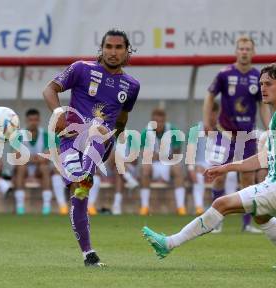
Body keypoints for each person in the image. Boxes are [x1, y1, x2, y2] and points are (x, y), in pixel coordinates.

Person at [143, 62, 276, 270]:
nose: (263, 88)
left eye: (269, 84)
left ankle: (168, 243)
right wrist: (225, 168)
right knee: (262, 216)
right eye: (261, 84)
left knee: (221, 204)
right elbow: (262, 159)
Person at [43, 29, 140, 267]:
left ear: (127, 51)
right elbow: (49, 90)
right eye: (109, 46)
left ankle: (87, 174)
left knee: (99, 130)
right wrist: (58, 115)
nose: (113, 52)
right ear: (102, 49)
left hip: (101, 140)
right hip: (69, 141)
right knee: (78, 190)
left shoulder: (131, 85)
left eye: (119, 47)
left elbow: (122, 118)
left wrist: (119, 139)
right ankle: (88, 254)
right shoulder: (81, 69)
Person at [202, 36, 270, 232]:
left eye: (248, 48)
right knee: (218, 177)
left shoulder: (258, 76)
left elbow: (262, 106)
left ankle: (247, 225)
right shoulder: (224, 74)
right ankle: (216, 221)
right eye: (241, 48)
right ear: (236, 51)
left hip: (247, 137)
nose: (244, 52)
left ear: (253, 52)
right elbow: (209, 96)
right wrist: (207, 121)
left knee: (248, 180)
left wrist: (268, 129)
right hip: (224, 134)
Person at [13, 108, 67, 216]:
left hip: (39, 168)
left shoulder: (46, 135)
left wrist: (29, 157)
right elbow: (17, 156)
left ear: (39, 121)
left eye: (35, 120)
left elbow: (55, 152)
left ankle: (46, 205)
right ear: (26, 120)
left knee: (45, 167)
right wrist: (39, 157)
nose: (33, 122)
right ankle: (20, 205)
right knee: (21, 167)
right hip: (25, 168)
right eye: (31, 120)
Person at [139, 108, 186, 215]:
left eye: (161, 121)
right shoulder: (146, 132)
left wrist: (157, 155)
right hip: (153, 166)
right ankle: (144, 207)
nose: (159, 124)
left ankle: (180, 207)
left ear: (165, 121)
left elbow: (176, 155)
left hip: (168, 165)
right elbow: (144, 155)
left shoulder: (173, 131)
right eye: (156, 121)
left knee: (178, 169)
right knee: (145, 168)